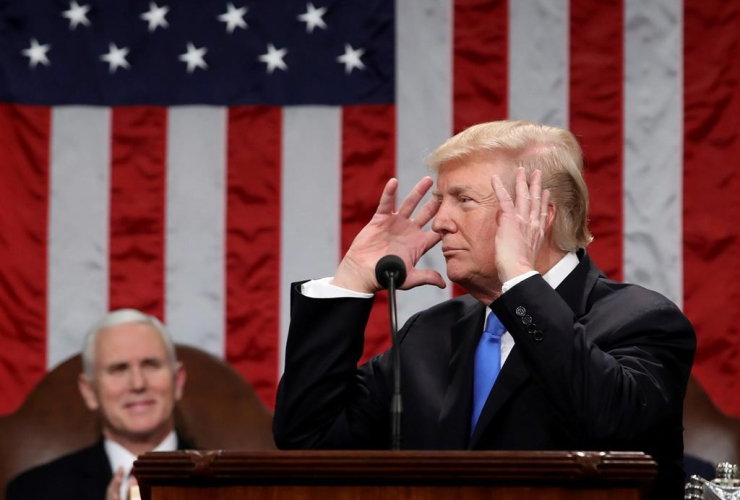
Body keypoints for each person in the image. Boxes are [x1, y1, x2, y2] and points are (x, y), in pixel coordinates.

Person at [273, 120, 696, 498]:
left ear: (538, 215)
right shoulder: (431, 333)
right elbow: (308, 440)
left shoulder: (641, 319)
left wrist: (519, 279)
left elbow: (613, 428)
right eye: (440, 199)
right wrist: (350, 282)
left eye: (464, 200)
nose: (439, 222)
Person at [7, 309, 189, 500]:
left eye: (151, 365)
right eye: (118, 369)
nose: (138, 384)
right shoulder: (33, 492)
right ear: (89, 391)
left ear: (177, 380)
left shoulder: (222, 483)